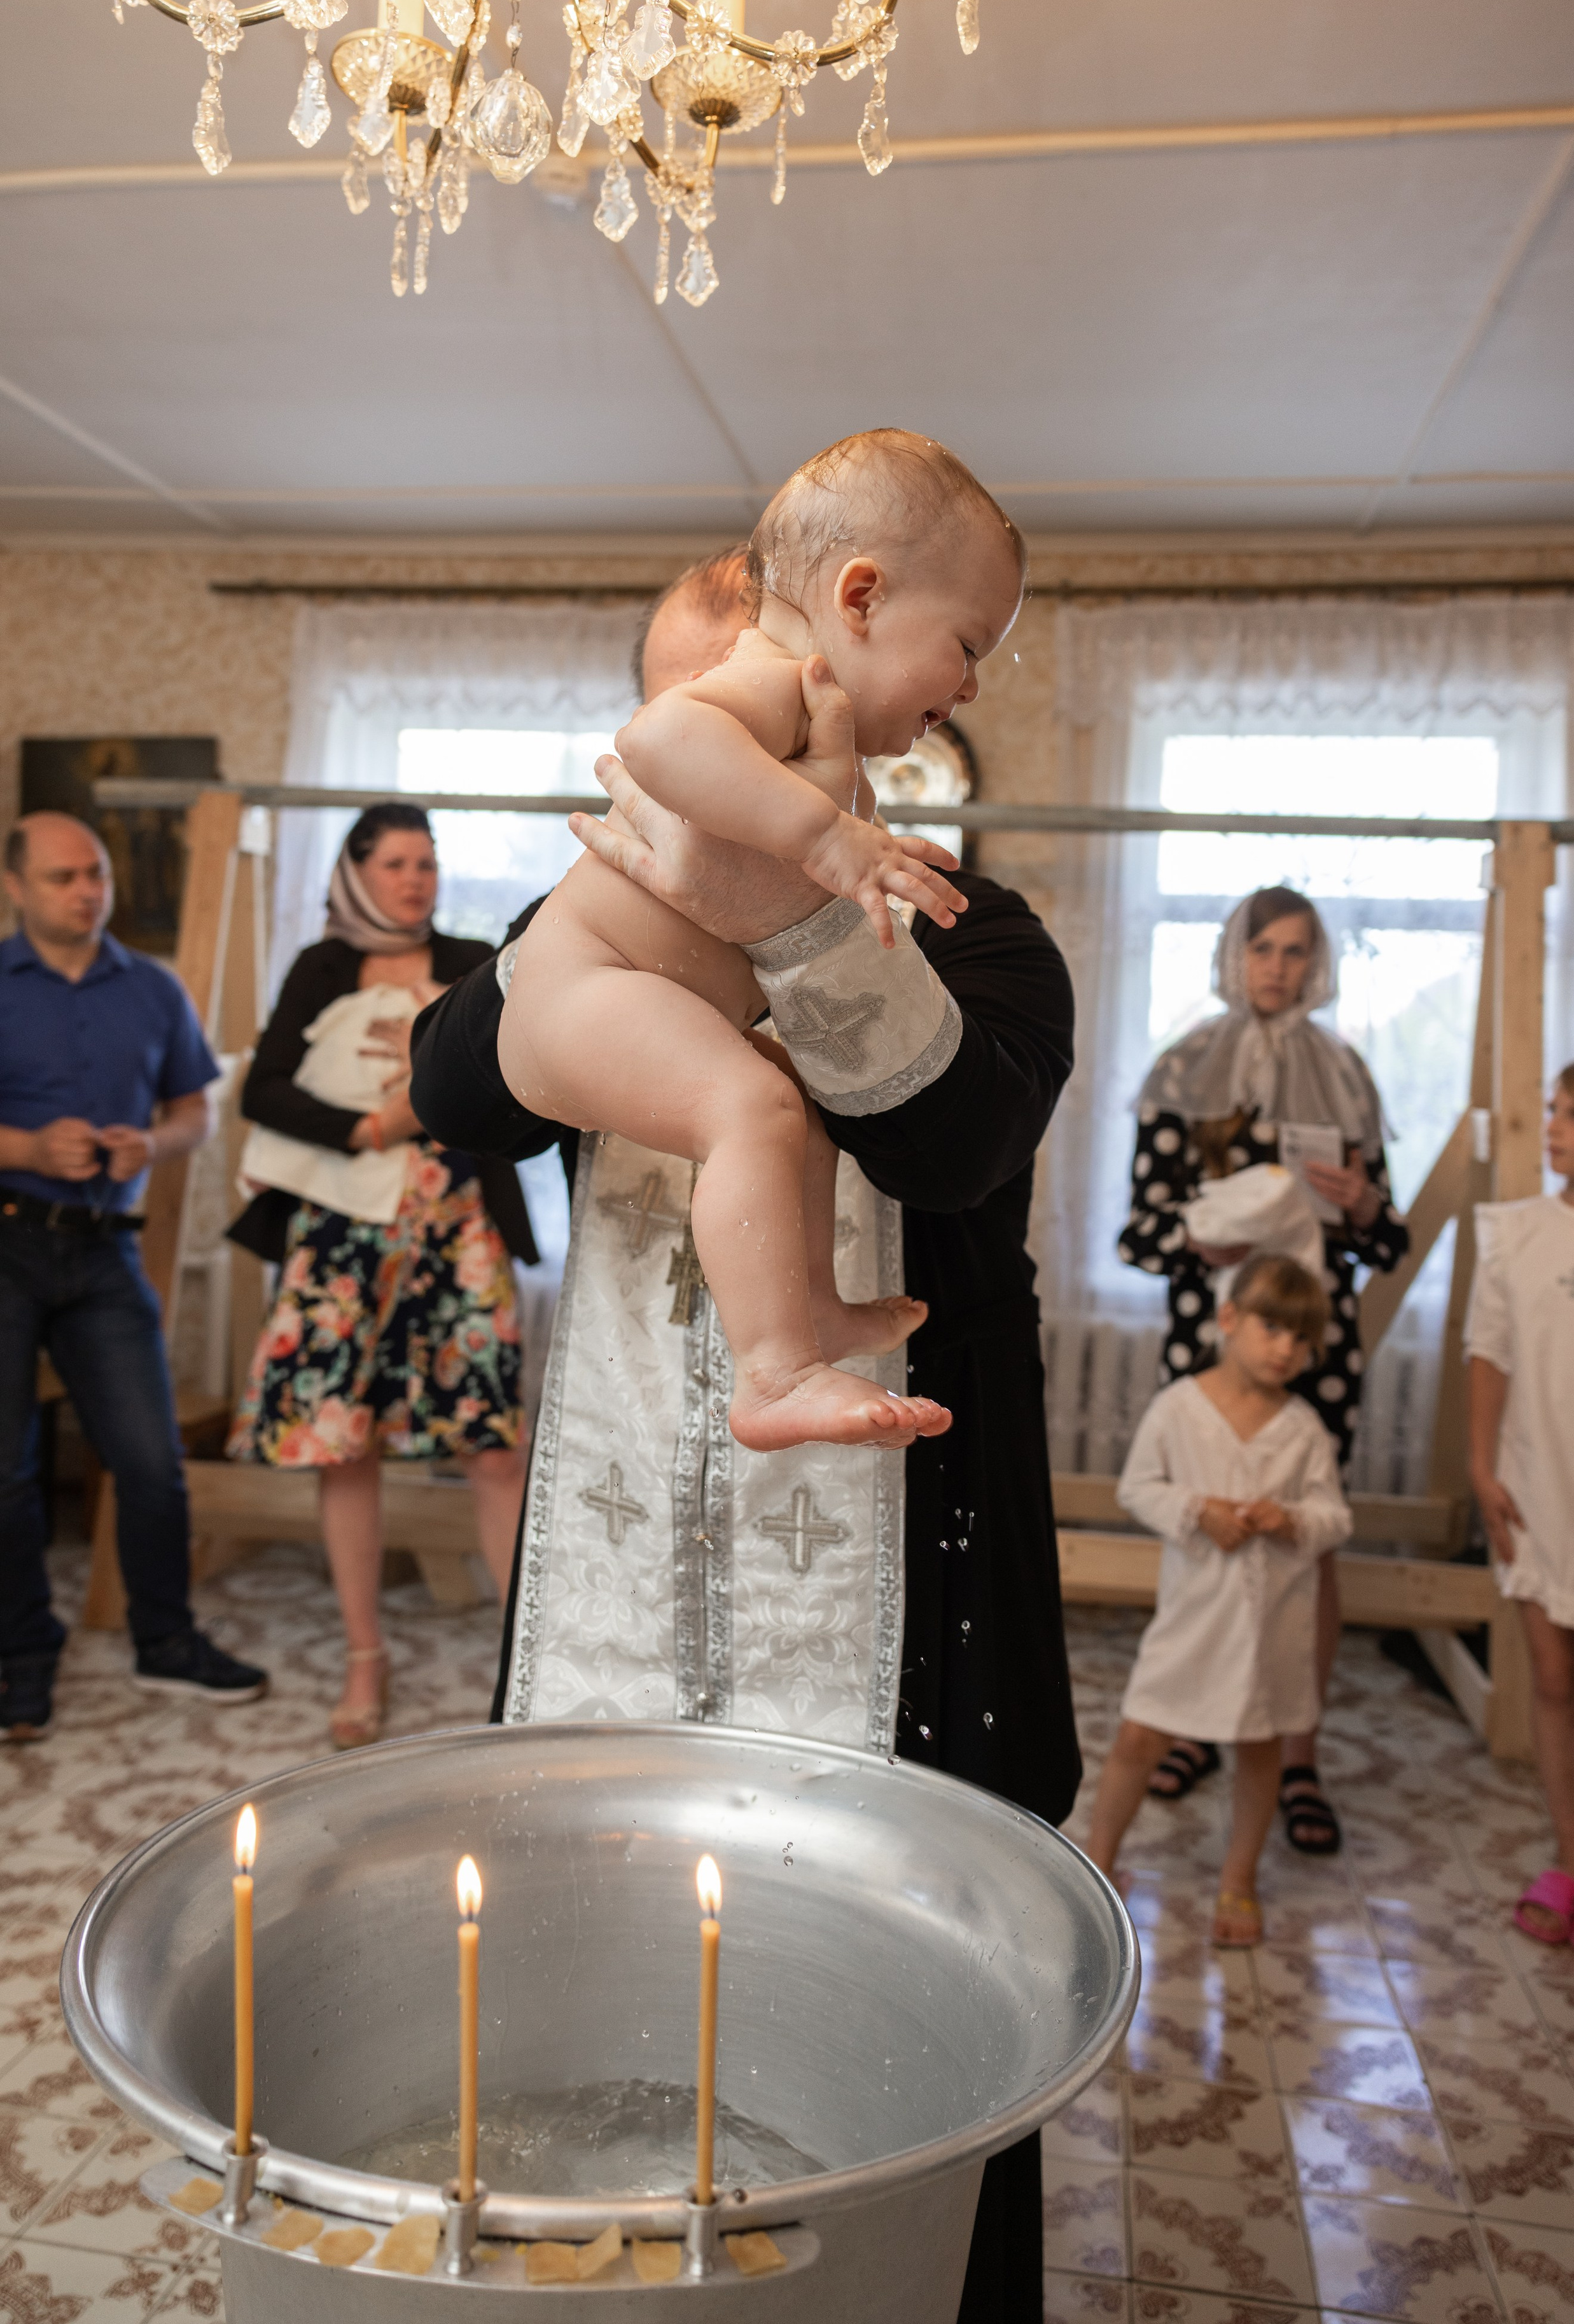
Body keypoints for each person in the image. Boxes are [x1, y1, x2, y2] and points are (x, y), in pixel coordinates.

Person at [410, 541, 1079, 2324]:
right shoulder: (601, 914)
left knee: (908, 2060)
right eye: (671, 726)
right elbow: (450, 1076)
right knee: (588, 2027)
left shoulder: (976, 924)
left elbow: (944, 1139)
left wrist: (782, 901)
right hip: (614, 1611)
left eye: (747, 726)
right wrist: (631, 882)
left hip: (909, 1622)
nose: (701, 754)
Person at [497, 429, 1022, 1454]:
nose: (969, 687)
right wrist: (828, 837)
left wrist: (841, 835)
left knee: (799, 1096)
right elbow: (657, 739)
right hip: (578, 995)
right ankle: (775, 1373)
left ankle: (812, 1308)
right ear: (861, 598)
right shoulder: (774, 678)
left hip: (622, 997)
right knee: (752, 1102)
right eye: (967, 647)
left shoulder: (810, 717)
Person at [227, 803, 534, 1750]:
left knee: (492, 1440)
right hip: (344, 1235)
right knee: (343, 1438)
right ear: (358, 871)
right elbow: (262, 1089)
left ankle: (528, 1661)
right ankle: (367, 1655)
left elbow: (522, 1074)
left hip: (458, 1225)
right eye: (398, 862)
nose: (418, 879)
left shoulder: (478, 955)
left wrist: (427, 1093)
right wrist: (370, 1124)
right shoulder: (322, 966)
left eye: (429, 862)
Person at [1118, 885, 1410, 1852]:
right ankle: (1203, 1723)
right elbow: (1139, 1233)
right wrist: (1200, 1237)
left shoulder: (1348, 1074)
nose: (1278, 967)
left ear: (1319, 963)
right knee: (1208, 1529)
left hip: (1314, 1353)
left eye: (1296, 951)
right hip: (1210, 1339)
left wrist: (1361, 1205)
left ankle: (1296, 1753)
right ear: (1231, 955)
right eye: (1262, 948)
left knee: (1301, 1543)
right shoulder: (1182, 1066)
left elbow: (1390, 1241)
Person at [0, 812, 268, 1741]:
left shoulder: (154, 989)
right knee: (7, 1473)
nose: (88, 891)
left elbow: (194, 1111)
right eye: (65, 877)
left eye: (98, 874)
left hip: (106, 1247)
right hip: (6, 1245)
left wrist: (148, 1142)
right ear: (17, 887)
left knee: (151, 1463)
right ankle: (21, 1657)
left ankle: (167, 1640)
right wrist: (26, 1144)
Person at [1085, 1252, 1351, 1945]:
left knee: (1260, 1743)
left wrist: (1290, 1519)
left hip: (1272, 1626)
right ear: (1228, 1319)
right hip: (1194, 1617)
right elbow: (1136, 1487)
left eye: (1302, 1338)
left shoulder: (1303, 1429)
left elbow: (1335, 1518)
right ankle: (1099, 1862)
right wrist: (1197, 1508)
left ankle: (1238, 1877)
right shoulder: (1178, 1408)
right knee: (1141, 1734)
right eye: (1273, 1328)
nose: (1287, 1349)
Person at [1468, 1057, 1574, 1958]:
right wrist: (1484, 1467)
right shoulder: (1515, 1231)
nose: (1555, 1126)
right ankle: (1571, 1856)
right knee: (1557, 1680)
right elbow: (1487, 1352)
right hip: (1536, 1484)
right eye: (1556, 1109)